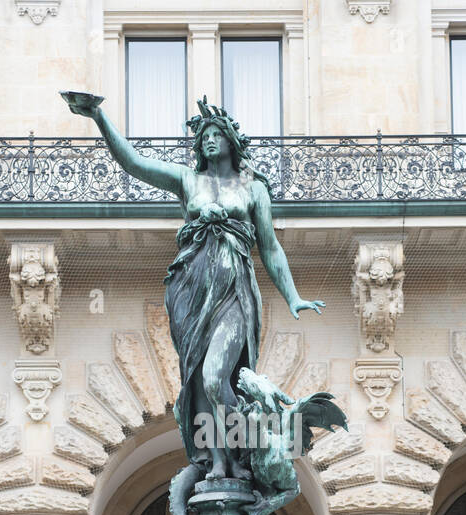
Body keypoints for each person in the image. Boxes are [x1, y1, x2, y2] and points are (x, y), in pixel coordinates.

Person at [64, 92, 324, 482]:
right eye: (202, 134)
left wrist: (293, 296)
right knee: (199, 379)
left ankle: (250, 441)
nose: (208, 138)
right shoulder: (188, 180)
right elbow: (133, 163)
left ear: (231, 141)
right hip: (191, 286)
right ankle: (220, 461)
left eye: (215, 132)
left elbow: (269, 248)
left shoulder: (254, 189)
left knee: (219, 376)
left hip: (234, 287)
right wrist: (99, 117)